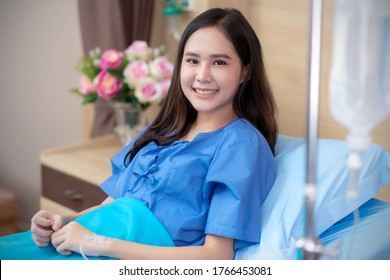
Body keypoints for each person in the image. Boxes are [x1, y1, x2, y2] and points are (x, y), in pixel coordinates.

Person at [30, 7, 279, 260]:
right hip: (93, 242)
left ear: (245, 72)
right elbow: (112, 207)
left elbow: (217, 255)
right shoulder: (164, 126)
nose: (202, 76)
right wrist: (63, 224)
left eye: (219, 62)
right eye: (192, 60)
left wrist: (100, 243)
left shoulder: (241, 144)